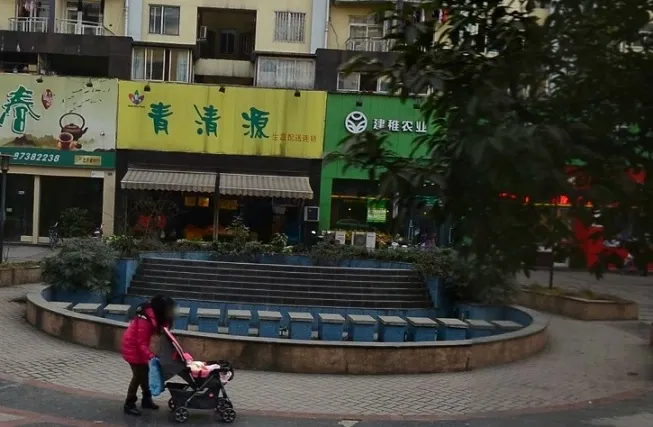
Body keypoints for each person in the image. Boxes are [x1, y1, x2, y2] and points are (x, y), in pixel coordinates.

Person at [121, 295, 176, 416]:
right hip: (132, 348)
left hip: (138, 348)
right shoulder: (144, 320)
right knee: (138, 376)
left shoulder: (152, 316)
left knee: (144, 374)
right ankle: (129, 403)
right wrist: (151, 356)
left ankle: (146, 399)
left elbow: (163, 328)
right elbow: (141, 342)